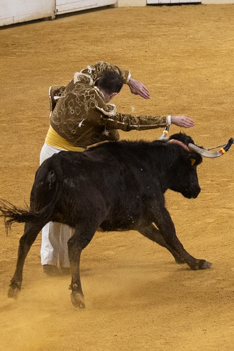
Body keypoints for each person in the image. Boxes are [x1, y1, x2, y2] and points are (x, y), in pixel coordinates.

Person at [40, 62, 193, 273]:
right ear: (112, 95)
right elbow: (130, 122)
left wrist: (129, 79)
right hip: (65, 156)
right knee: (61, 207)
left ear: (96, 81)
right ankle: (53, 262)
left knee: (61, 206)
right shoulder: (100, 110)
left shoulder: (81, 81)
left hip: (53, 150)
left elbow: (100, 64)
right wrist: (169, 119)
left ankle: (58, 262)